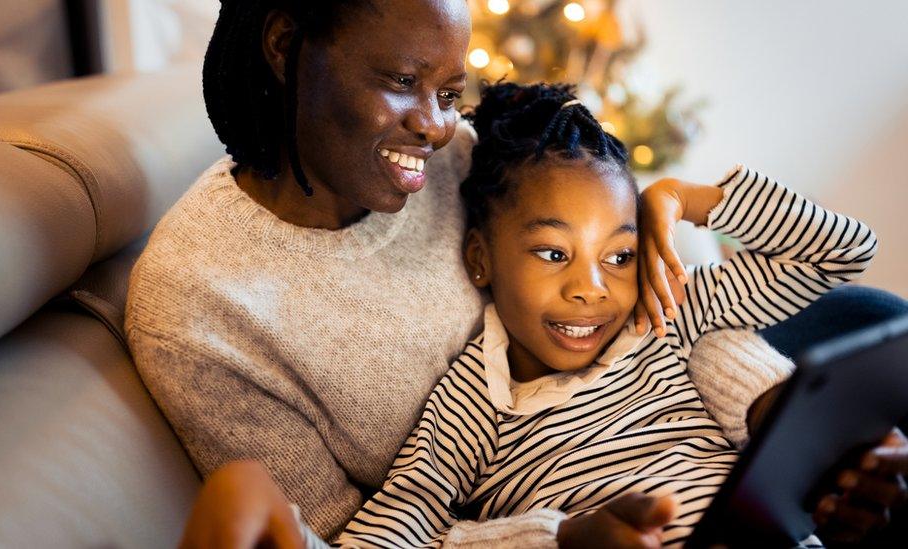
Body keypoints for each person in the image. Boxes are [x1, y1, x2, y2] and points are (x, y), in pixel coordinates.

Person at [124, 1, 908, 547]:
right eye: (402, 82)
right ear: (285, 42)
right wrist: (557, 539)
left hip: (685, 423)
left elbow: (601, 237)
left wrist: (672, 203)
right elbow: (348, 535)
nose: (437, 129)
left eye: (449, 93)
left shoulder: (455, 156)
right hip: (536, 505)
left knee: (867, 329)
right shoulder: (197, 307)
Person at [329, 81, 883, 548]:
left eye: (618, 256)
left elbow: (846, 250)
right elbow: (395, 532)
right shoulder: (477, 397)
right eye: (553, 254)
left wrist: (683, 199)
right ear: (480, 259)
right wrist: (560, 537)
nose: (591, 291)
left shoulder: (662, 316)